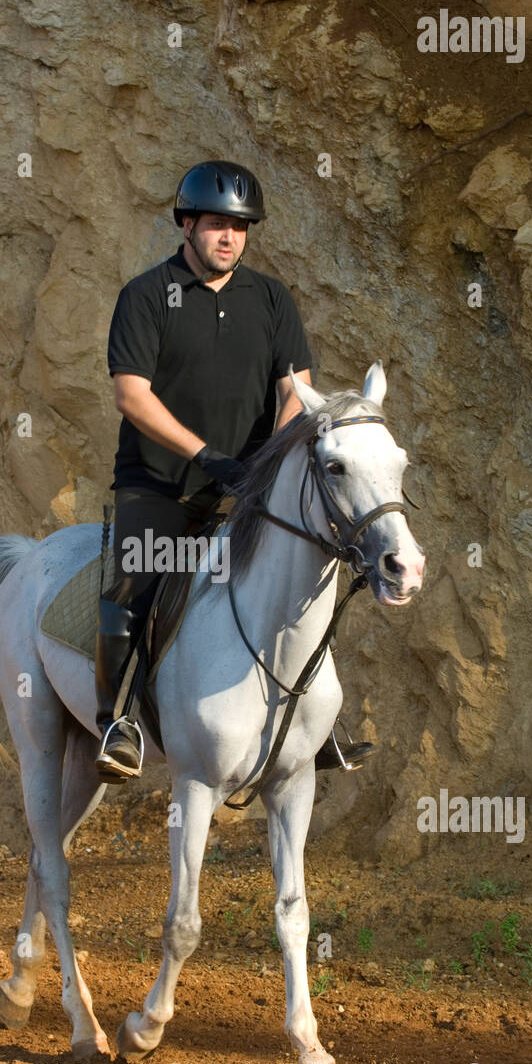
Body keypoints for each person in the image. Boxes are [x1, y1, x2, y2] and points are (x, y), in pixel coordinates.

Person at [95, 160, 372, 782]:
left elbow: (297, 391)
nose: (230, 238)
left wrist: (267, 465)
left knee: (307, 573)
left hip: (249, 485)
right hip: (160, 481)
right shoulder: (145, 295)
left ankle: (318, 726)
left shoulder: (271, 298)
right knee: (138, 580)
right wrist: (206, 457)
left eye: (241, 227)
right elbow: (132, 395)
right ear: (186, 224)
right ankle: (118, 722)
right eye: (217, 224)